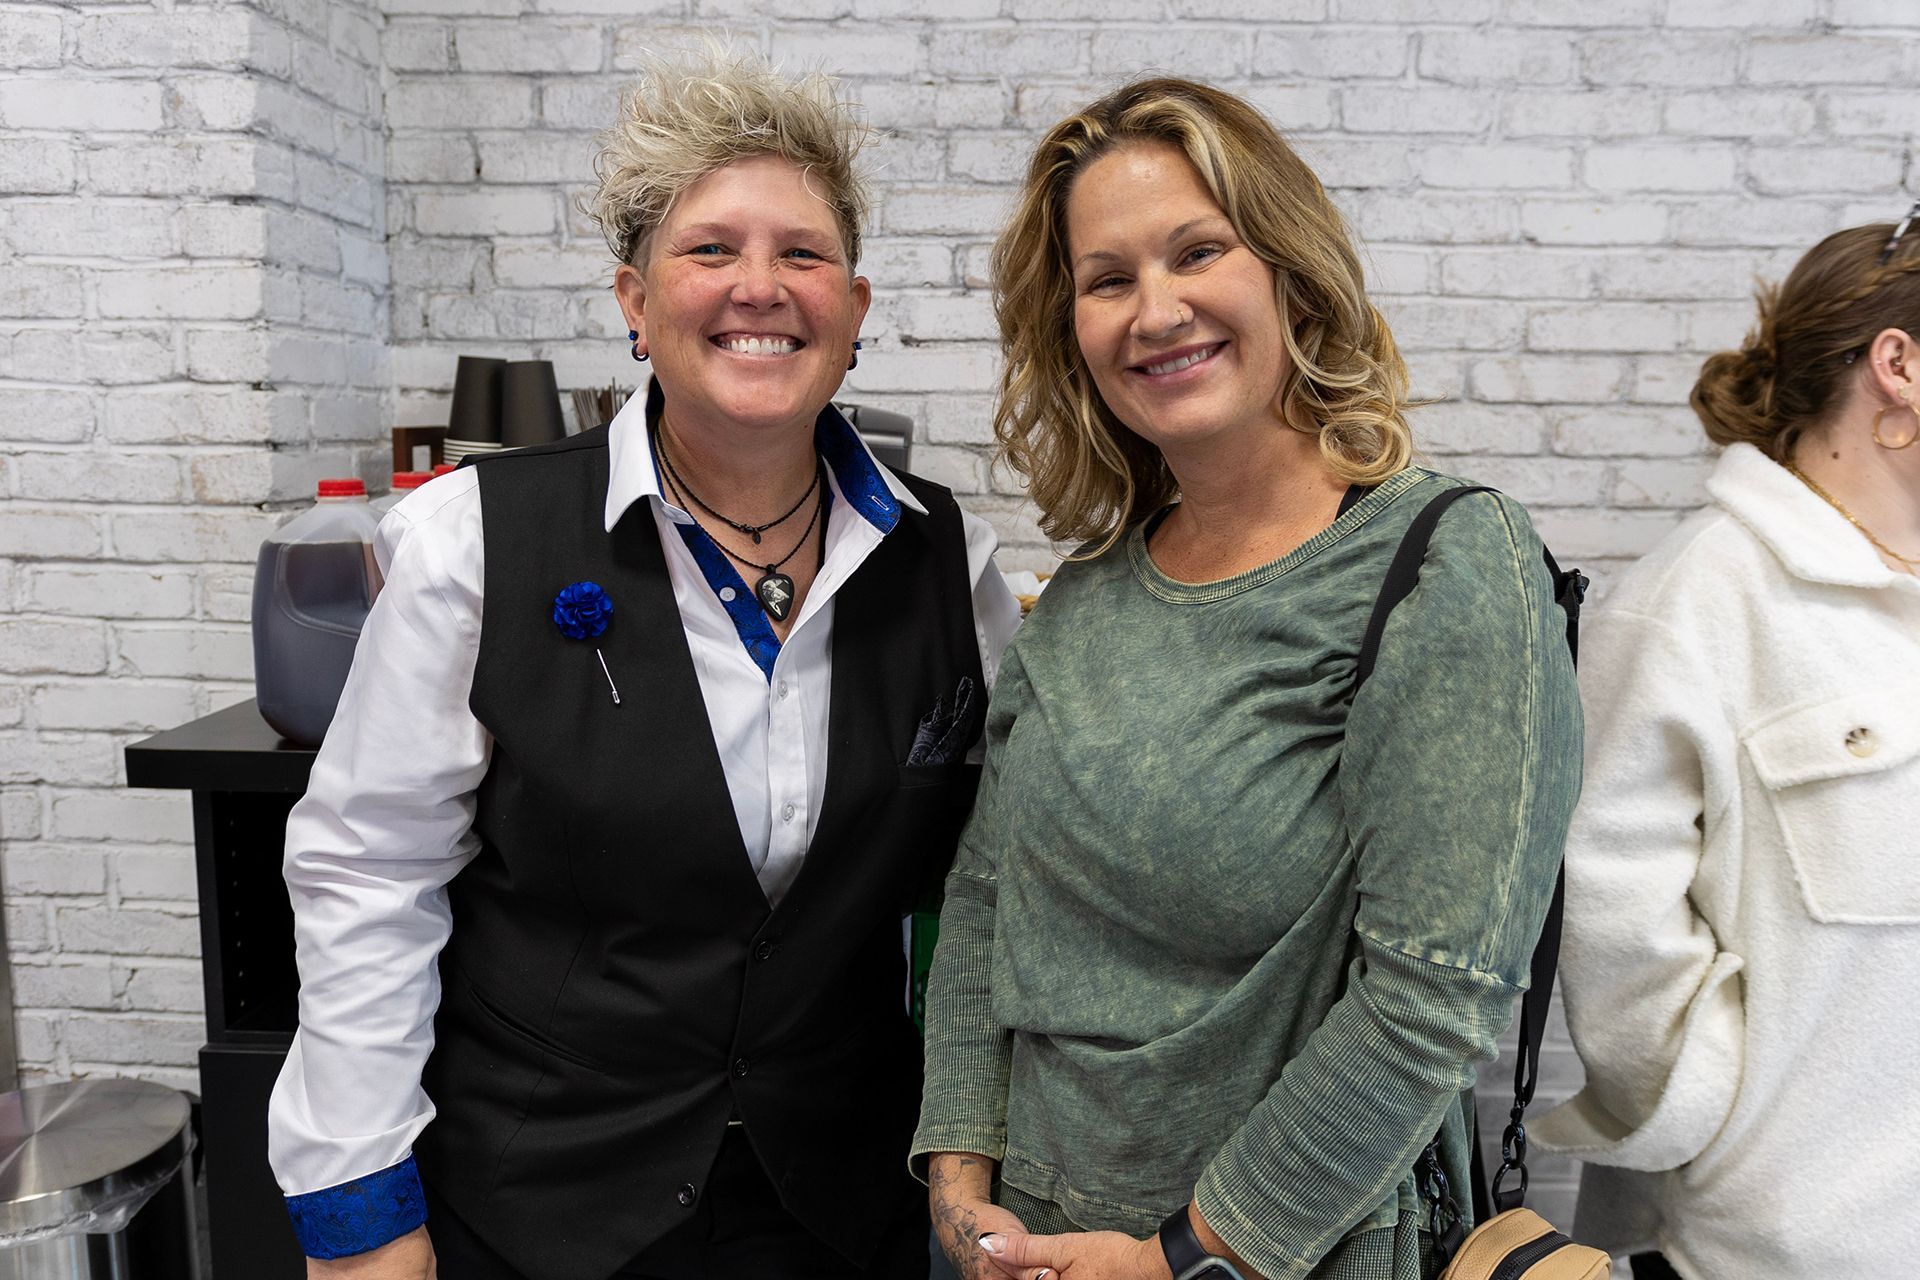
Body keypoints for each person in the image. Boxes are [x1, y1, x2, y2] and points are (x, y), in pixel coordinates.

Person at [268, 49, 1020, 1280]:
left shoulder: (954, 565)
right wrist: (359, 1212)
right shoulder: (473, 540)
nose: (759, 287)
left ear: (858, 304)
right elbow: (368, 872)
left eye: (804, 253)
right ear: (633, 297)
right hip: (545, 1202)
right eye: (710, 250)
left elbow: (1007, 883)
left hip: (837, 1206)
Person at [912, 78, 1582, 1280]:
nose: (1154, 308)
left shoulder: (1440, 561)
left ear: (1288, 270)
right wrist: (963, 1199)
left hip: (1280, 1254)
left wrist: (1182, 1257)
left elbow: (1436, 1000)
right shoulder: (1085, 596)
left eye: (1197, 251)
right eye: (1107, 278)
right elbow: (984, 906)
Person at [1532, 213, 1920, 1278]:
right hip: (1770, 1247)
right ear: (1900, 366)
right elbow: (1609, 919)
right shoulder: (1696, 600)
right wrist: (1718, 1112)